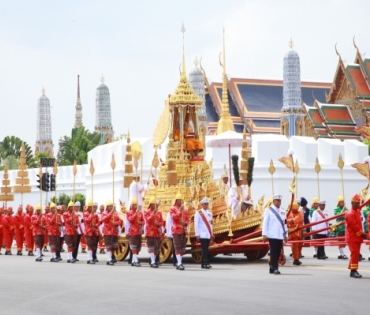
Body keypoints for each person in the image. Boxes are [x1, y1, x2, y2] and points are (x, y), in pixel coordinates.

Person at [345, 193, 369, 278]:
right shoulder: (350, 213)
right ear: (352, 203)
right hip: (352, 237)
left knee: (355, 253)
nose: (358, 204)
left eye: (359, 203)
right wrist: (363, 234)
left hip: (356, 237)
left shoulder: (357, 211)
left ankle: (353, 269)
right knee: (355, 253)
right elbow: (355, 227)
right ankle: (353, 271)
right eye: (357, 203)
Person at [262, 194, 287, 275]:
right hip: (272, 234)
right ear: (273, 201)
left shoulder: (283, 211)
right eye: (277, 200)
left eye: (280, 201)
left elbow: (285, 224)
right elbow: (265, 223)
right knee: (273, 251)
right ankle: (275, 267)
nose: (279, 202)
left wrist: (286, 235)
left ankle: (271, 268)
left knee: (278, 251)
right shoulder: (268, 210)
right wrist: (264, 234)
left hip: (280, 235)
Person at [170, 193, 189, 271]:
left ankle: (179, 262)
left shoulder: (185, 210)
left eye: (181, 200)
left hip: (183, 231)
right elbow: (173, 217)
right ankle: (179, 263)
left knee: (182, 247)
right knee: (177, 246)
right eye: (178, 200)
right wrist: (179, 211)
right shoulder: (173, 209)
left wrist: (186, 223)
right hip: (176, 230)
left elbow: (187, 219)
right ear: (176, 201)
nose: (180, 201)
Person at [194, 197, 214, 269]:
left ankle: (203, 263)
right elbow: (196, 224)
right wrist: (197, 234)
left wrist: (212, 233)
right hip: (202, 234)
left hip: (208, 234)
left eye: (207, 204)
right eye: (205, 204)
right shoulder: (198, 213)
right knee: (204, 249)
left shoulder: (210, 213)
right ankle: (206, 262)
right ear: (202, 204)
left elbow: (211, 224)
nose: (206, 205)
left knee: (206, 249)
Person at [144, 197, 164, 268]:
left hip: (157, 232)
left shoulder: (159, 212)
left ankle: (154, 260)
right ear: (150, 205)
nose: (154, 206)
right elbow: (148, 220)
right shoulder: (146, 212)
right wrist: (153, 214)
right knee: (151, 247)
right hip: (150, 232)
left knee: (156, 247)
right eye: (152, 204)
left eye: (155, 204)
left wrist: (158, 224)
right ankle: (152, 261)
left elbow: (162, 222)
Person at [102, 200, 122, 265]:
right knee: (108, 246)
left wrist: (115, 223)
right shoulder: (104, 213)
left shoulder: (115, 213)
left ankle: (112, 257)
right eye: (109, 206)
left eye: (111, 206)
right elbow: (104, 219)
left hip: (114, 232)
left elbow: (120, 221)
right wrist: (110, 213)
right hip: (107, 232)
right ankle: (109, 259)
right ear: (107, 207)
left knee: (113, 246)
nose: (110, 207)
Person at [127, 198, 144, 267]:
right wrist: (135, 214)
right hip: (132, 231)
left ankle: (133, 261)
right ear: (131, 205)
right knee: (133, 246)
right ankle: (136, 260)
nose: (135, 206)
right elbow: (130, 219)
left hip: (138, 232)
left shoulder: (140, 213)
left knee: (137, 247)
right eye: (133, 204)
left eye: (135, 204)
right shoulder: (129, 212)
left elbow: (143, 221)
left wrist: (141, 222)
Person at [84, 200, 100, 264]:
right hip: (88, 232)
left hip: (94, 232)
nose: (92, 208)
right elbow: (86, 220)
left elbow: (98, 223)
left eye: (92, 207)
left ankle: (92, 258)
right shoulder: (85, 213)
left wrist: (95, 225)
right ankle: (89, 258)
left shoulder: (95, 215)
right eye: (90, 207)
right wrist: (91, 214)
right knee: (90, 245)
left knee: (93, 245)